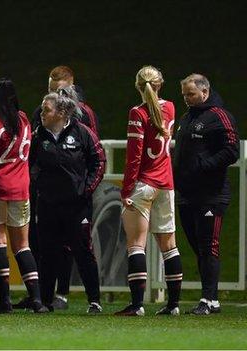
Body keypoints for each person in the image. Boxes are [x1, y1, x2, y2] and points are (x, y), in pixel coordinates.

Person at [19, 65, 101, 310]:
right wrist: (36, 187)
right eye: (51, 91)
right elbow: (29, 162)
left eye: (59, 92)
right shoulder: (39, 130)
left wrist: (85, 188)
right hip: (47, 202)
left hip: (77, 202)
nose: (54, 97)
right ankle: (43, 299)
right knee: (45, 250)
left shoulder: (84, 123)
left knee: (81, 250)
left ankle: (88, 299)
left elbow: (97, 159)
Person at [114, 66, 183, 316]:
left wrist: (126, 189)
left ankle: (137, 305)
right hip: (166, 184)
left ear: (137, 86)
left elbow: (134, 156)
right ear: (160, 84)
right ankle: (173, 305)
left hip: (143, 184)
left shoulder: (137, 112)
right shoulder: (172, 107)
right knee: (170, 246)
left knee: (136, 246)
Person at [0, 78, 47, 314]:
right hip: (20, 188)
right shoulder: (24, 119)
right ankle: (36, 299)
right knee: (23, 246)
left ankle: (5, 301)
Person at [173, 73, 239, 315]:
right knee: (198, 247)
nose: (187, 99)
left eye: (191, 94)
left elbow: (232, 151)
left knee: (209, 246)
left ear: (204, 91)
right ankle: (210, 299)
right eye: (184, 95)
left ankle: (209, 300)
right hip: (186, 194)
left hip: (211, 194)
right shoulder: (186, 118)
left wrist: (205, 165)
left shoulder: (220, 116)